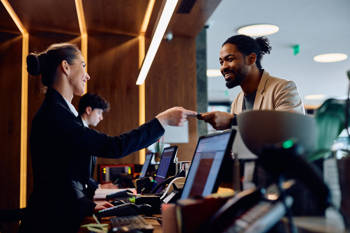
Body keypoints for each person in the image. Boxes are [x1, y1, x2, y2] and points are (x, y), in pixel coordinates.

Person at [19, 43, 197, 233]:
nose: (87, 75)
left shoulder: (60, 112)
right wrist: (162, 121)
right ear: (66, 67)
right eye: (83, 65)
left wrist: (88, 205)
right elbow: (114, 147)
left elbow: (63, 175)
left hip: (60, 214)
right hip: (52, 222)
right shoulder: (55, 114)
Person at [199, 35, 305, 130]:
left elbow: (290, 128)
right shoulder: (237, 101)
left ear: (251, 59)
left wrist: (234, 121)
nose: (223, 67)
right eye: (221, 62)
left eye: (230, 59)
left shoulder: (283, 88)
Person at [78, 93, 112, 200]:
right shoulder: (78, 132)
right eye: (99, 112)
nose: (101, 118)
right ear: (88, 110)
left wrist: (98, 186)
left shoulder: (84, 131)